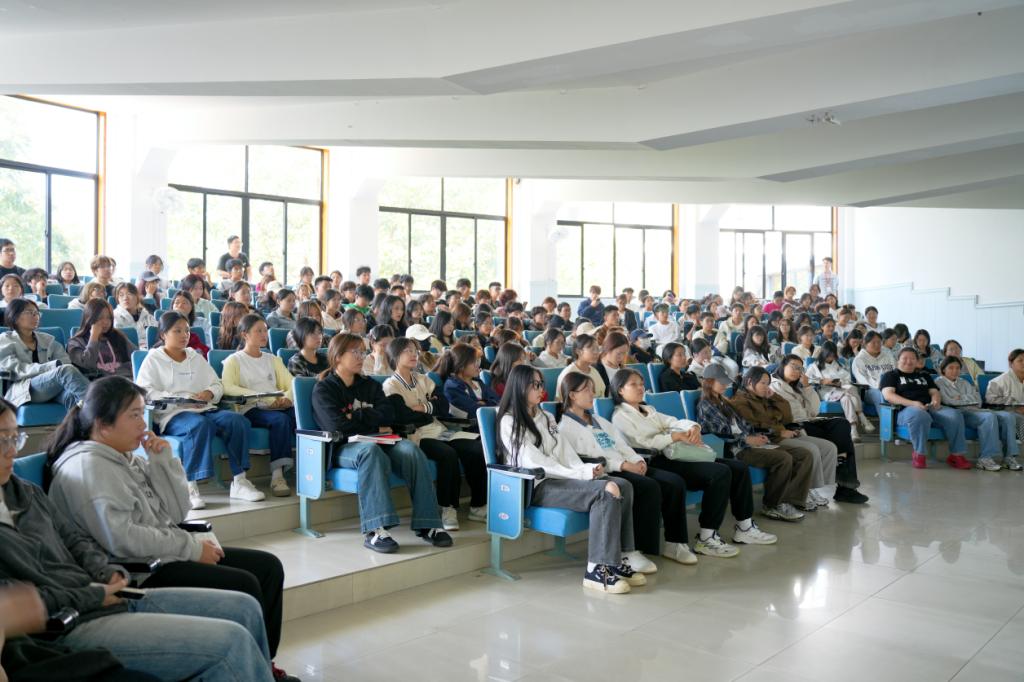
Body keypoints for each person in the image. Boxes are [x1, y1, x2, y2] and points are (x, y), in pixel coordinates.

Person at [0, 396, 279, 682]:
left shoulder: (27, 492)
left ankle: (261, 671)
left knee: (245, 607)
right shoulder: (88, 467)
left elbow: (76, 541)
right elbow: (26, 600)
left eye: (14, 438)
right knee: (230, 641)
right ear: (103, 425)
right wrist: (96, 592)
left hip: (106, 594)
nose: (11, 451)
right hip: (72, 619)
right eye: (134, 414)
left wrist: (105, 573)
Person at [498, 365, 642, 593]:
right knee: (607, 490)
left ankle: (619, 558)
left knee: (623, 485)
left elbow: (564, 452)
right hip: (536, 485)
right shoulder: (509, 421)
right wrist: (580, 474)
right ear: (520, 386)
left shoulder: (546, 416)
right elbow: (534, 462)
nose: (541, 389)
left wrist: (586, 469)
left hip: (559, 479)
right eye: (536, 385)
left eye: (541, 384)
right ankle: (597, 569)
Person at [610, 368, 777, 559]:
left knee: (738, 468)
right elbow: (644, 442)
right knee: (719, 473)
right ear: (620, 390)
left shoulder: (648, 409)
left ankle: (745, 527)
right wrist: (674, 436)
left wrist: (693, 427)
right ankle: (707, 537)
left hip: (675, 453)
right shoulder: (620, 416)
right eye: (633, 385)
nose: (640, 388)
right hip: (657, 460)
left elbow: (673, 421)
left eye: (641, 384)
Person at [311, 333, 451, 553]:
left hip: (379, 439)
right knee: (370, 451)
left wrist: (357, 417)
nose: (361, 357)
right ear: (337, 356)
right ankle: (375, 529)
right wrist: (371, 421)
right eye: (355, 352)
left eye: (363, 352)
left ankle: (428, 524)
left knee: (410, 450)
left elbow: (388, 414)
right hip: (343, 447)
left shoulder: (369, 384)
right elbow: (337, 425)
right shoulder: (324, 389)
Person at [135, 312, 264, 508]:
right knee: (198, 425)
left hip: (205, 409)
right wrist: (177, 399)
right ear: (163, 334)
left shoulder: (195, 357)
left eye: (187, 330)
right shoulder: (153, 359)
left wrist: (209, 393)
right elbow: (145, 392)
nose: (184, 335)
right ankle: (189, 486)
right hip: (174, 414)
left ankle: (240, 481)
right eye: (177, 331)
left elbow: (217, 384)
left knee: (237, 421)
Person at [555, 371, 666, 571]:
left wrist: (637, 460)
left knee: (656, 483)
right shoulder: (566, 428)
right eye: (587, 390)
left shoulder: (598, 420)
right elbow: (590, 458)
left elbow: (621, 444)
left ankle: (640, 548)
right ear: (572, 395)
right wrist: (623, 465)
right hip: (604, 471)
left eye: (593, 389)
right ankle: (628, 550)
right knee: (644, 486)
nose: (593, 394)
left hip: (623, 464)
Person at [383, 337, 487, 531]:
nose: (414, 354)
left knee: (477, 448)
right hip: (417, 436)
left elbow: (443, 405)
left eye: (415, 350)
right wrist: (430, 408)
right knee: (448, 454)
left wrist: (423, 408)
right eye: (408, 351)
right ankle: (448, 507)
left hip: (440, 430)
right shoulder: (391, 385)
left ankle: (478, 506)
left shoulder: (424, 379)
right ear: (395, 356)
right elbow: (403, 416)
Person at [696, 363, 812, 522]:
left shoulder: (725, 402)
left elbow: (745, 425)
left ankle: (791, 500)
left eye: (725, 381)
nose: (724, 384)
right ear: (709, 382)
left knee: (803, 454)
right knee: (783, 458)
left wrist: (761, 435)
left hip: (748, 443)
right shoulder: (706, 404)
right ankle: (772, 505)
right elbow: (719, 433)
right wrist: (747, 439)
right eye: (720, 381)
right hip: (736, 449)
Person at [730, 366, 837, 512]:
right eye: (763, 383)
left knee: (827, 447)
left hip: (777, 435)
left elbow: (787, 417)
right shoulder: (740, 401)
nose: (766, 387)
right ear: (749, 382)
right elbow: (754, 425)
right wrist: (779, 431)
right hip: (766, 439)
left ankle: (803, 493)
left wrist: (774, 397)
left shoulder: (764, 397)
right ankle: (791, 498)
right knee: (806, 452)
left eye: (768, 383)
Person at [771, 356, 868, 503]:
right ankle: (845, 488)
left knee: (841, 424)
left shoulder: (798, 387)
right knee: (841, 438)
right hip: (792, 425)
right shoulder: (773, 386)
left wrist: (808, 388)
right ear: (783, 365)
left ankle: (843, 475)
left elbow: (814, 411)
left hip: (808, 421)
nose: (797, 371)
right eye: (794, 366)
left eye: (800, 368)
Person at [222, 315, 298, 497]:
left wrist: (287, 398)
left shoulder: (272, 359)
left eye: (265, 330)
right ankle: (278, 476)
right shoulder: (234, 360)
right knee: (280, 420)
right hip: (251, 408)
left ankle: (309, 469)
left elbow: (292, 383)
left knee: (300, 417)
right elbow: (228, 387)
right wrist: (266, 399)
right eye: (258, 331)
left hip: (277, 404)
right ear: (245, 334)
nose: (264, 334)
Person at [879, 347, 969, 470]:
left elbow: (934, 392)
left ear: (917, 361)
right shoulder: (890, 375)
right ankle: (919, 454)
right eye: (905, 358)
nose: (908, 361)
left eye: (912, 359)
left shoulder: (924, 375)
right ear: (898, 360)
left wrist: (935, 400)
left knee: (955, 415)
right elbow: (888, 395)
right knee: (920, 415)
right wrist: (913, 403)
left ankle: (956, 455)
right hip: (906, 409)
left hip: (929, 407)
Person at [0, 299, 89, 411]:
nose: (35, 316)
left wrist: (52, 370)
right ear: (15, 316)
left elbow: (65, 361)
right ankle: (100, 409)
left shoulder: (48, 340)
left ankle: (85, 421)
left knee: (72, 398)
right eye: (29, 312)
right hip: (24, 389)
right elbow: (15, 369)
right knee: (65, 371)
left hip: (51, 386)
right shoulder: (5, 340)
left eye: (37, 313)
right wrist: (49, 367)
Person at [935, 356, 1021, 472]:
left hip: (976, 410)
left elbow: (978, 400)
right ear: (943, 369)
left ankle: (1009, 457)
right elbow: (948, 401)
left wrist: (960, 397)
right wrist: (967, 398)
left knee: (1008, 416)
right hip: (960, 413)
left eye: (957, 368)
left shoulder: (964, 382)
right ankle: (985, 458)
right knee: (988, 417)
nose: (955, 371)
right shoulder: (939, 382)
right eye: (951, 368)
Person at [805, 341, 875, 440]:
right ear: (823, 354)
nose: (831, 358)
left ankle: (853, 429)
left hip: (842, 389)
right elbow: (806, 379)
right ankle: (862, 416)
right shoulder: (814, 366)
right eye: (829, 355)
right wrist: (822, 381)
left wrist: (839, 383)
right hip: (827, 392)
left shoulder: (839, 364)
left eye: (833, 355)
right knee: (851, 389)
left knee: (846, 397)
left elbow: (848, 378)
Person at [66, 299, 136, 380]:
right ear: (89, 318)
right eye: (100, 318)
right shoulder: (75, 342)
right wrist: (94, 337)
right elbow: (88, 364)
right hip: (100, 383)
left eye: (109, 318)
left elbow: (136, 355)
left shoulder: (117, 336)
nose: (105, 322)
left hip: (126, 379)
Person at [439, 342, 499, 419]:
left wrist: (484, 403)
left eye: (478, 361)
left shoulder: (477, 382)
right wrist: (487, 403)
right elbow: (473, 412)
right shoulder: (452, 386)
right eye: (474, 362)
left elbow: (498, 400)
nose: (478, 365)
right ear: (461, 365)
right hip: (470, 425)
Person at [986, 348, 1024, 443]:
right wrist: (1015, 406)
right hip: (1007, 412)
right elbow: (990, 400)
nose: (1023, 363)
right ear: (1011, 364)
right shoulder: (999, 381)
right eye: (1020, 360)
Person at [556, 333, 606, 398]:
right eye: (593, 349)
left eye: (597, 349)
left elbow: (602, 395)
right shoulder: (569, 373)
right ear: (578, 352)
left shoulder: (594, 371)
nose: (597, 353)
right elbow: (561, 400)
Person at [166, 289, 211, 358]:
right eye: (177, 302)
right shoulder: (165, 322)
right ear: (172, 306)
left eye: (184, 303)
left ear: (191, 306)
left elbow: (209, 344)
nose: (180, 305)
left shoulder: (203, 322)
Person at [112, 282, 157, 350]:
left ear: (137, 296)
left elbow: (157, 335)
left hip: (151, 350)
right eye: (121, 295)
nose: (125, 298)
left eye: (129, 294)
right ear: (117, 299)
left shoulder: (146, 315)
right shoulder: (115, 317)